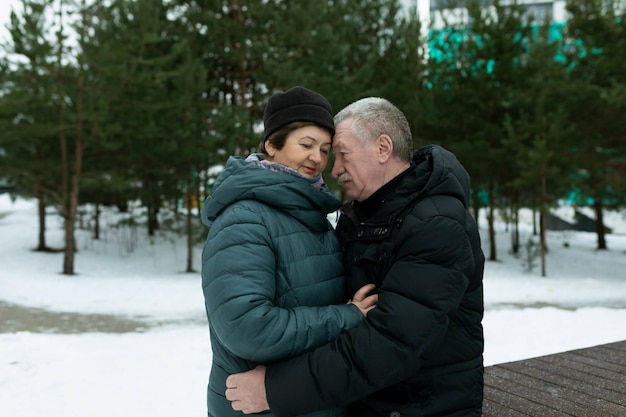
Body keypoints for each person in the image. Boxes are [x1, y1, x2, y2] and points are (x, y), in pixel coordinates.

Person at [225, 97, 485, 417]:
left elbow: (392, 343)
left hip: (422, 408)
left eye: (341, 153)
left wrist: (275, 389)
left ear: (383, 148)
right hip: (366, 403)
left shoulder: (437, 224)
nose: (332, 169)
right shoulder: (359, 218)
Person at [200, 86, 377, 417]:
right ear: (271, 144)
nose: (316, 158)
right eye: (306, 144)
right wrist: (346, 316)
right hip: (256, 408)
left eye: (325, 149)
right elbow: (248, 329)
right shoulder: (244, 219)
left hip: (306, 400)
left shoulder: (314, 217)